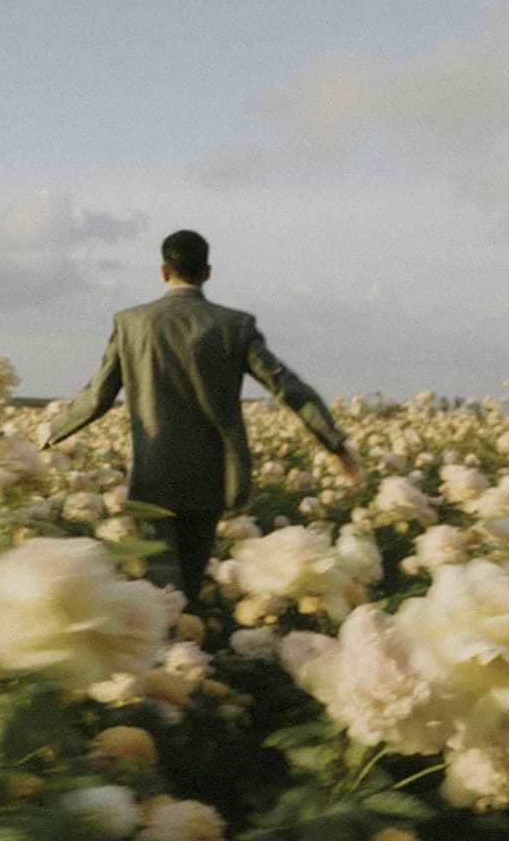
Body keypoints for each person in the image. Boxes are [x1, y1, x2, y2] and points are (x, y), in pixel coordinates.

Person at [40, 230, 361, 603]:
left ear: (163, 272)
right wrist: (334, 442)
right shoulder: (234, 327)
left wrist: (53, 432)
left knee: (162, 590)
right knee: (188, 587)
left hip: (155, 473)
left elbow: (99, 395)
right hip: (211, 476)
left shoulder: (131, 323)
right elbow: (286, 386)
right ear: (207, 272)